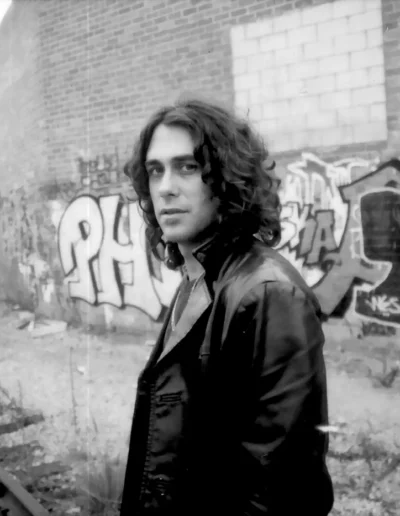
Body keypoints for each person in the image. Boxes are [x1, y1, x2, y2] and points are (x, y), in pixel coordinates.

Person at [120, 97, 334, 515]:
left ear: (227, 178)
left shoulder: (268, 294)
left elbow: (281, 489)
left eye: (187, 167)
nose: (165, 187)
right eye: (155, 170)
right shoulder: (200, 276)